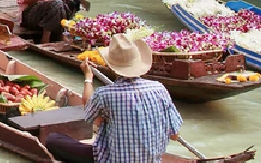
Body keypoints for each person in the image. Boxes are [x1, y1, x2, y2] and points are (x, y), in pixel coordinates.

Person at [45, 34, 183, 163]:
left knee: (52, 139)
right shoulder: (160, 89)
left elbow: (89, 114)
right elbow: (174, 135)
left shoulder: (105, 94)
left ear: (111, 65)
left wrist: (88, 77)